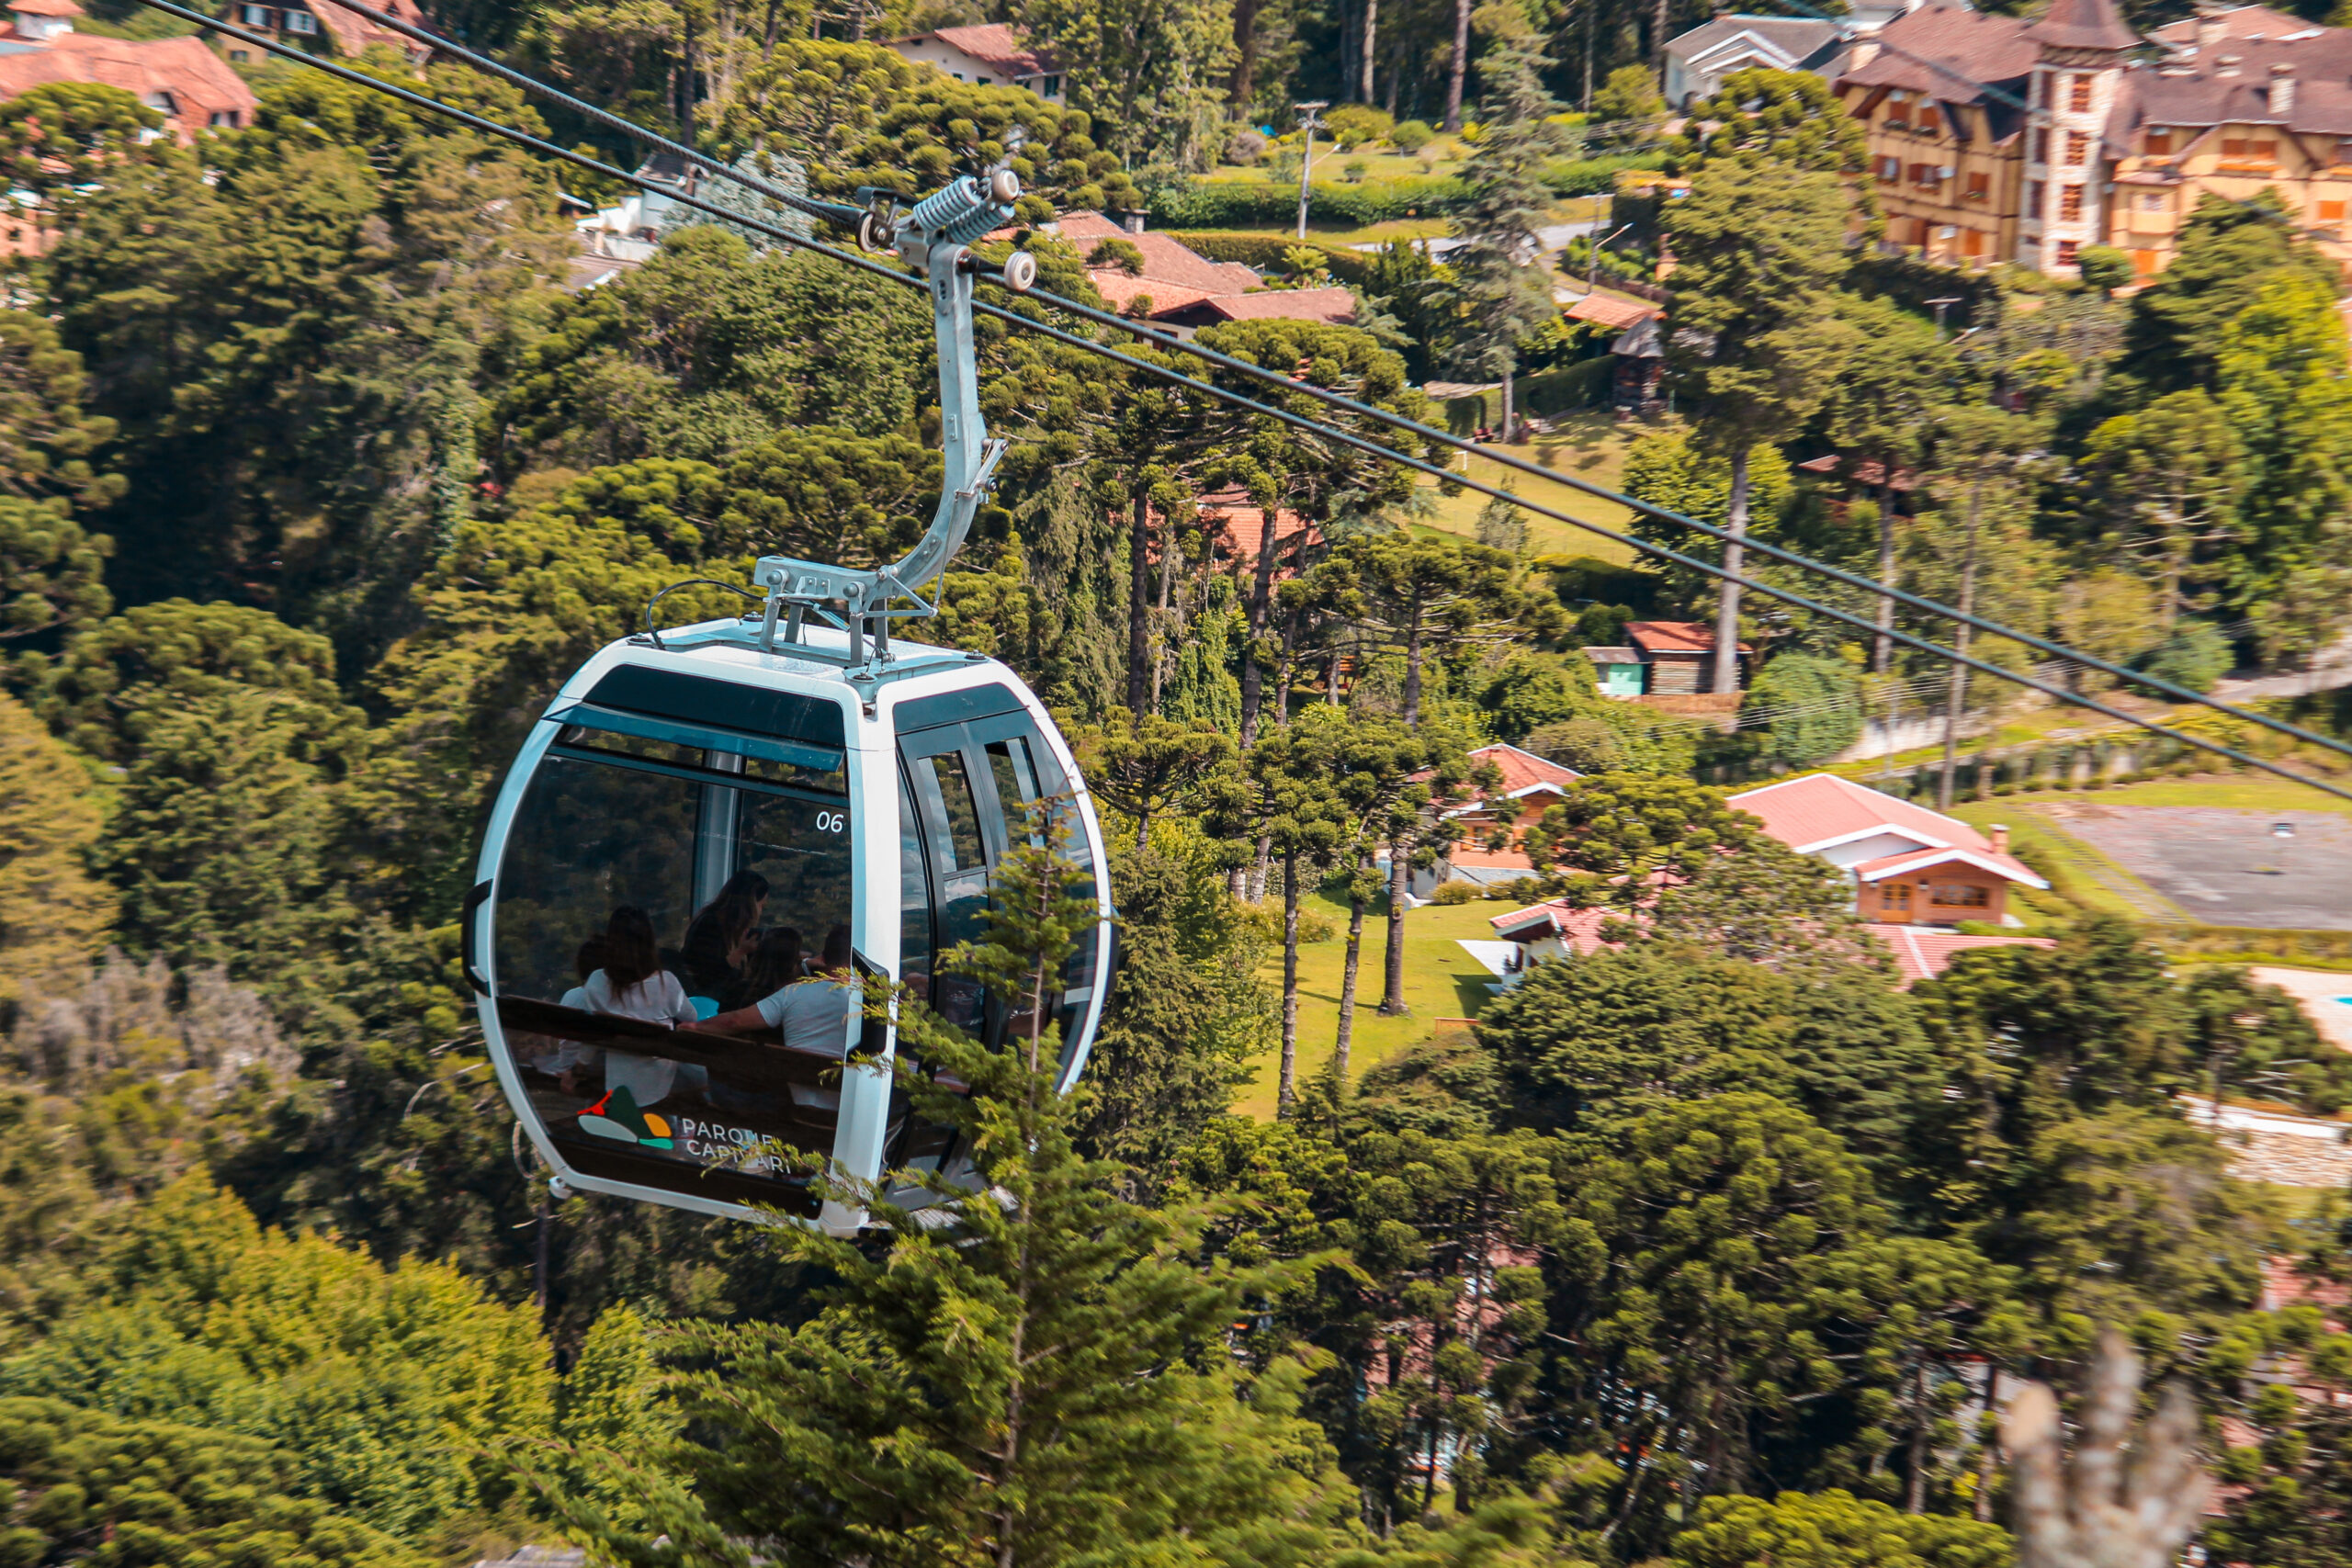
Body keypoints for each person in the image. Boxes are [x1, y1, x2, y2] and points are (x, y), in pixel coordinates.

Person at [556, 906, 704, 1108]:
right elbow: (692, 1018)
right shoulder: (666, 983)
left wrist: (575, 1071)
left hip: (616, 1085)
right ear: (649, 942)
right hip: (662, 1086)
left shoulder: (597, 982)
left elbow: (594, 1037)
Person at [707, 925, 856, 1059]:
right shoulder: (790, 998)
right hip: (766, 1084)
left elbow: (732, 1021)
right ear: (793, 965)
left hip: (724, 1078)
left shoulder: (737, 991)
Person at [677, 870, 770, 998]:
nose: (760, 912)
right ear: (751, 903)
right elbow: (708, 974)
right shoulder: (710, 924)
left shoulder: (734, 929)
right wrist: (740, 952)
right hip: (704, 1001)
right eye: (761, 906)